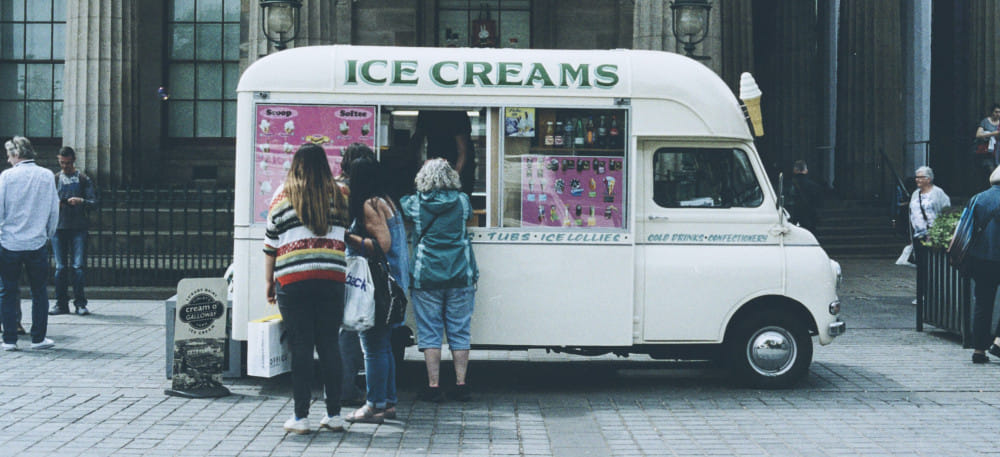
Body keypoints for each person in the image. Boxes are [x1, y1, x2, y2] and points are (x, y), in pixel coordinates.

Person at [263, 143, 349, 434]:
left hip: (293, 280)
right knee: (329, 345)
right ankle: (334, 414)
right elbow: (348, 232)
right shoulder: (340, 196)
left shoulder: (281, 197)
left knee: (301, 347)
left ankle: (301, 418)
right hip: (332, 278)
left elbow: (270, 245)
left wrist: (268, 282)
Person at [400, 158, 479, 402]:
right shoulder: (463, 201)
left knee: (430, 330)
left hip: (427, 276)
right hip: (460, 273)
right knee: (459, 330)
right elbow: (469, 218)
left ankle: (433, 386)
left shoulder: (414, 204)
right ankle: (461, 384)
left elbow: (401, 207)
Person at [343, 154, 410, 423]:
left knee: (372, 347)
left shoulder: (369, 205)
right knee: (383, 346)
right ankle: (388, 402)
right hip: (390, 283)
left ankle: (373, 405)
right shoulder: (385, 200)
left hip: (375, 287)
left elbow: (381, 245)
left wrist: (347, 236)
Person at [0, 136, 60, 352]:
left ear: (16, 154)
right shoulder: (46, 176)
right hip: (36, 242)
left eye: (9, 155)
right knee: (39, 292)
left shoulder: (6, 177)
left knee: (7, 291)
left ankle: (9, 339)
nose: (8, 160)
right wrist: (47, 234)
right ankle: (38, 338)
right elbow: (54, 210)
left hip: (10, 242)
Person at [334, 143, 376, 408]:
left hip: (338, 262)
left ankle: (344, 385)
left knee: (344, 327)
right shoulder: (358, 191)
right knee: (350, 329)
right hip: (355, 261)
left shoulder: (334, 188)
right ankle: (347, 388)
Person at [49, 147, 97, 316]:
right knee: (60, 267)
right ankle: (61, 303)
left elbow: (93, 202)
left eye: (68, 163)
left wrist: (81, 200)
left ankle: (80, 303)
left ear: (74, 160)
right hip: (59, 228)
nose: (65, 166)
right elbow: (47, 202)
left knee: (78, 267)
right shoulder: (55, 179)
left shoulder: (83, 179)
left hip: (78, 228)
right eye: (62, 163)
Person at [969, 166, 1000, 364]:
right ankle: (998, 341)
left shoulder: (978, 198)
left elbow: (966, 229)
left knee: (982, 303)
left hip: (981, 259)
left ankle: (979, 350)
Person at [909, 166, 950, 309]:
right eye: (916, 177)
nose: (917, 180)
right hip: (918, 236)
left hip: (933, 236)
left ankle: (935, 296)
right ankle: (921, 295)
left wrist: (940, 233)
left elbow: (946, 213)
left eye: (920, 177)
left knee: (934, 267)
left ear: (929, 179)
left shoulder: (938, 193)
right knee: (921, 267)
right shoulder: (915, 194)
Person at [410, 110, 476, 197]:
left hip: (453, 167)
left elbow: (463, 152)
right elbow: (417, 143)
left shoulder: (457, 113)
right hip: (436, 167)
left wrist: (454, 177)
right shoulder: (426, 112)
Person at [784, 160, 824, 233]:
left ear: (794, 170)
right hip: (810, 218)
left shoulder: (788, 186)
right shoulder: (814, 186)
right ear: (806, 171)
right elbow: (819, 204)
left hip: (793, 218)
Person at [974, 104, 1000, 178]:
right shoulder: (985, 122)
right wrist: (993, 133)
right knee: (991, 173)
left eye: (999, 112)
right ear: (992, 112)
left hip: (998, 151)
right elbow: (978, 135)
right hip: (988, 152)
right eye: (996, 112)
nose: (998, 114)